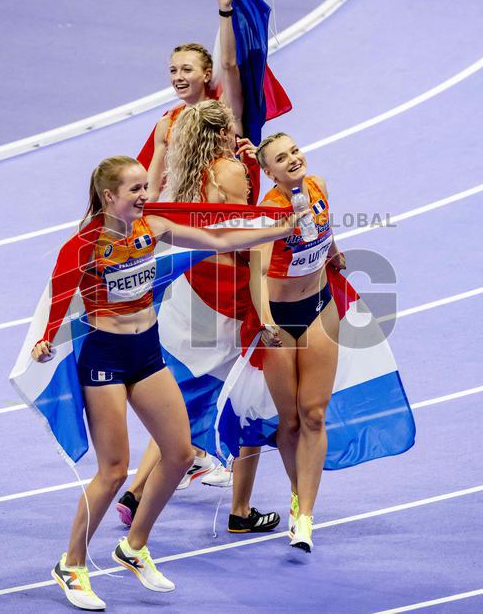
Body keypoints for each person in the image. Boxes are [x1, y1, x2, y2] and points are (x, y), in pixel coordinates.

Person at [37, 155, 298, 610]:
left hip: (147, 353)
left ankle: (133, 548)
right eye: (135, 189)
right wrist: (44, 340)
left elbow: (217, 238)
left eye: (145, 187)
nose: (145, 196)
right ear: (108, 196)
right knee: (114, 471)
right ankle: (71, 564)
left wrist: (274, 231)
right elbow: (57, 298)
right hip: (106, 360)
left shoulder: (151, 229)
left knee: (178, 455)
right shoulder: (82, 247)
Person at [118, 100, 280, 534]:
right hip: (225, 294)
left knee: (180, 405)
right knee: (246, 396)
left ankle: (135, 493)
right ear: (225, 131)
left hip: (190, 289)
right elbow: (242, 227)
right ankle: (239, 509)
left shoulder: (187, 169)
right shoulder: (228, 171)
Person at [250, 132, 347, 553]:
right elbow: (257, 272)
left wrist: (335, 253)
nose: (292, 159)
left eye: (294, 151)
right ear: (268, 172)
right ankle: (296, 491)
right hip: (280, 323)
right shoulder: (268, 213)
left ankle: (305, 516)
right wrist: (267, 320)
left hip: (320, 306)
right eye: (280, 158)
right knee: (288, 421)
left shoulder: (318, 186)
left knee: (314, 414)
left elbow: (325, 233)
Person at [143, 0, 247, 201]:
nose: (178, 77)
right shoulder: (167, 123)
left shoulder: (223, 110)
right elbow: (153, 187)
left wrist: (225, 8)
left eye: (187, 69)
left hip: (227, 211)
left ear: (207, 75)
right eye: (173, 70)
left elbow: (229, 65)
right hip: (189, 218)